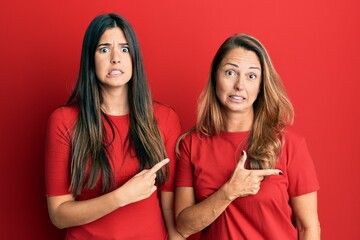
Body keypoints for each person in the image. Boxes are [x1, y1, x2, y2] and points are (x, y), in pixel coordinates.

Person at [45, 13, 184, 239]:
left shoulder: (165, 119)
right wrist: (121, 197)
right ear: (90, 58)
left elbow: (169, 207)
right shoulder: (64, 121)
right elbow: (58, 214)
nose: (115, 58)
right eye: (104, 49)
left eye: (124, 49)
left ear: (134, 58)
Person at [175, 34, 320, 240]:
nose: (240, 85)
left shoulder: (289, 144)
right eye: (230, 72)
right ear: (216, 76)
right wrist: (229, 192)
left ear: (260, 86)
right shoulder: (191, 144)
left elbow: (309, 228)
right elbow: (183, 226)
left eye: (251, 76)